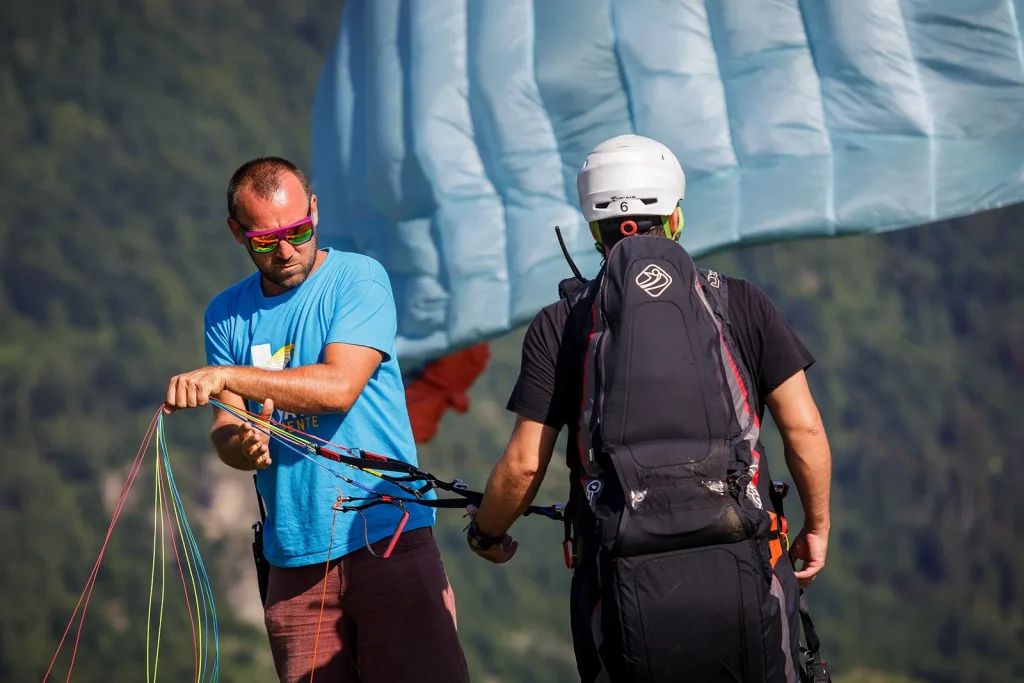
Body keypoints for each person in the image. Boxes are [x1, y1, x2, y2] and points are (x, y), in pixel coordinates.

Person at [465, 135, 833, 682]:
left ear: (593, 229)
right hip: (745, 562)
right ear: (676, 218)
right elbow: (803, 428)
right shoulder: (739, 302)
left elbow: (523, 465)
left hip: (620, 580)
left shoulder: (560, 324)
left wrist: (486, 533)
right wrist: (817, 525)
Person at [163, 157, 469, 683]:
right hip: (293, 560)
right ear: (237, 233)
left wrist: (225, 376)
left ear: (315, 212)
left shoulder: (358, 278)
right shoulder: (225, 313)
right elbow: (228, 428)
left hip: (386, 536)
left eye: (298, 231)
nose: (285, 251)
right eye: (265, 240)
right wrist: (242, 445)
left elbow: (337, 387)